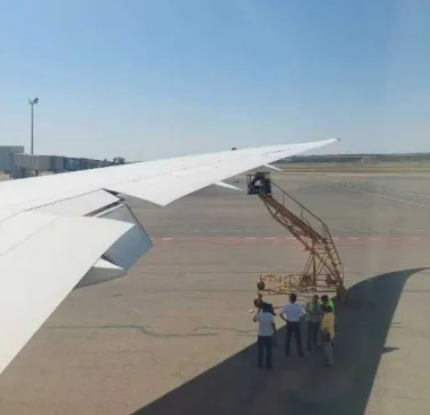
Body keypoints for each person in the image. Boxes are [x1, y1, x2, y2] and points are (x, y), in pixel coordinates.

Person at [279, 293, 305, 358]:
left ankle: (287, 352)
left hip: (289, 322)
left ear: (290, 299)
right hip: (296, 323)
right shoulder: (298, 306)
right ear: (295, 299)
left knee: (288, 338)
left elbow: (280, 314)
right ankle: (300, 353)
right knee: (298, 339)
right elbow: (303, 314)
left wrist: (285, 320)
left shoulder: (286, 306)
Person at [253, 302, 276, 369]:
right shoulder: (270, 316)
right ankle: (269, 364)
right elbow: (273, 325)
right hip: (269, 335)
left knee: (260, 350)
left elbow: (254, 320)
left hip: (261, 335)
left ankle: (260, 364)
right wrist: (275, 335)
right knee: (269, 351)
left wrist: (258, 311)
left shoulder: (259, 315)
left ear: (262, 309)